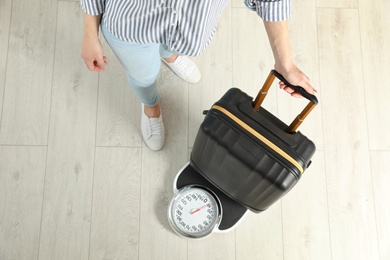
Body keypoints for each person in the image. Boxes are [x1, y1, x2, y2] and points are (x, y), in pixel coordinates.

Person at [80, 0, 317, 151]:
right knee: (144, 75)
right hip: (130, 25)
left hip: (185, 32)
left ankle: (168, 54)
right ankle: (150, 106)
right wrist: (90, 33)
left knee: (171, 45)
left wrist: (285, 65)